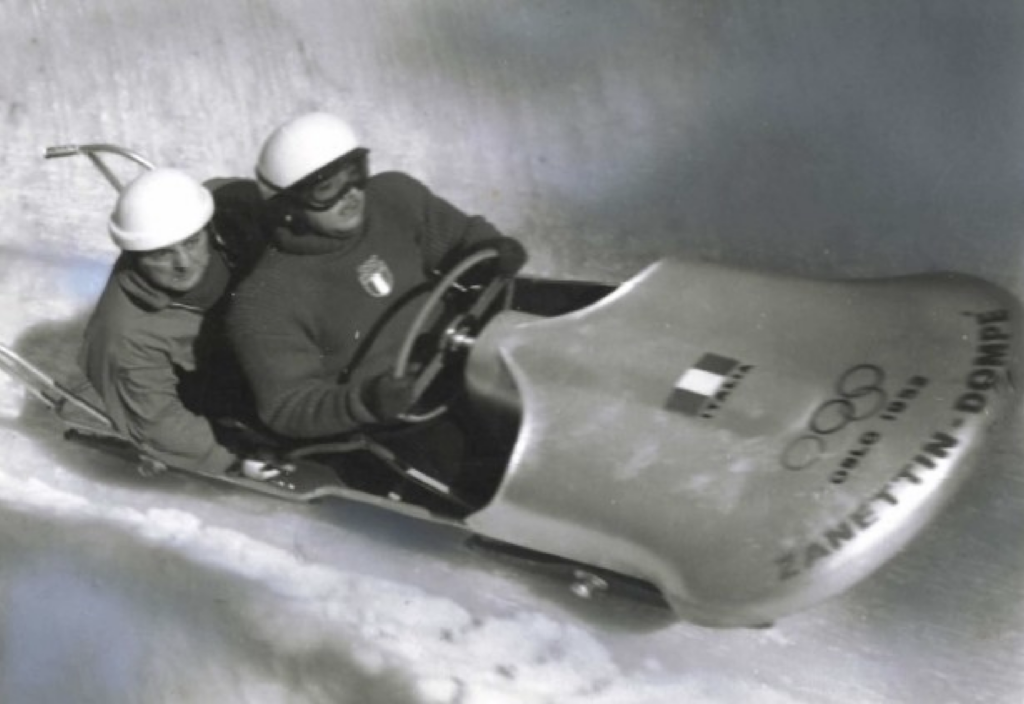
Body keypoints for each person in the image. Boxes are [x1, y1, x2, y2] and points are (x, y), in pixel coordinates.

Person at [226, 112, 526, 482]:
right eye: (326, 188)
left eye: (355, 172)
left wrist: (490, 249)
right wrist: (366, 401)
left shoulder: (396, 198)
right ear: (288, 206)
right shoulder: (266, 300)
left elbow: (461, 239)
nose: (350, 193)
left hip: (469, 354)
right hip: (401, 417)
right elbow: (287, 405)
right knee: (503, 472)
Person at [79, 167, 275, 478]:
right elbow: (158, 421)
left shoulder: (237, 207)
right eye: (161, 254)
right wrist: (233, 457)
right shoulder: (123, 334)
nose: (183, 263)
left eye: (192, 242)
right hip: (224, 396)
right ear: (133, 254)